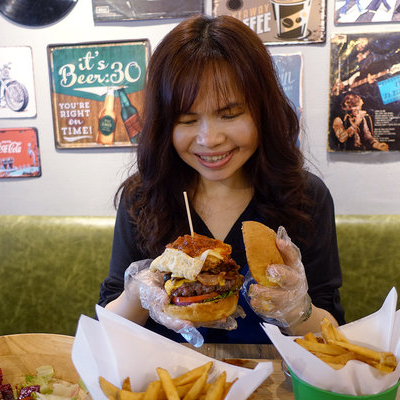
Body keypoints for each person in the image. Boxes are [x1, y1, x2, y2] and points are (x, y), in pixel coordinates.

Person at [98, 15, 345, 346]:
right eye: (187, 119)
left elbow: (332, 327)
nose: (209, 139)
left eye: (229, 115)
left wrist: (298, 309)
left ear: (262, 111)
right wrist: (136, 295)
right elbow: (105, 330)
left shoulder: (305, 197)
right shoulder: (144, 196)